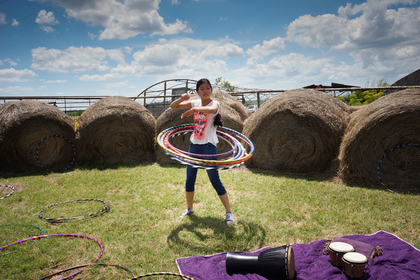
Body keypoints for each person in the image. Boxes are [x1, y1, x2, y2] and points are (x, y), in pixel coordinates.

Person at [170, 78, 235, 224]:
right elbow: (173, 107)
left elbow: (212, 110)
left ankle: (229, 213)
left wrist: (193, 110)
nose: (205, 91)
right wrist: (181, 98)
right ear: (198, 91)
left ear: (211, 90)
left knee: (214, 180)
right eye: (202, 89)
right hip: (194, 145)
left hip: (208, 146)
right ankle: (189, 209)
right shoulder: (195, 102)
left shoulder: (214, 104)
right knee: (189, 180)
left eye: (207, 88)